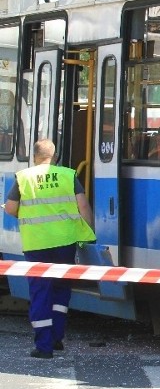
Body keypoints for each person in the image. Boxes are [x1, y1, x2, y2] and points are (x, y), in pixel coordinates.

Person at [4, 138, 96, 359]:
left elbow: (10, 208)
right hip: (65, 242)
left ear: (35, 156)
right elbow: (82, 205)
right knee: (61, 289)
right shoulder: (68, 175)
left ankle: (43, 346)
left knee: (40, 292)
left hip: (36, 244)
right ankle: (57, 338)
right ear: (54, 156)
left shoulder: (24, 178)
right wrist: (91, 232)